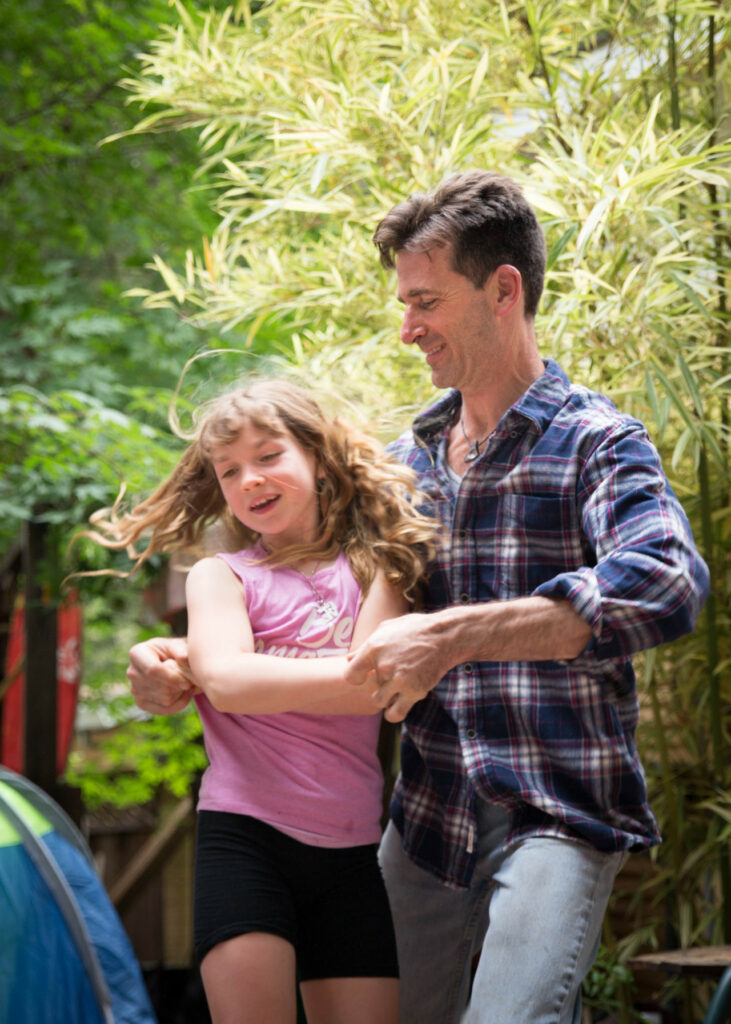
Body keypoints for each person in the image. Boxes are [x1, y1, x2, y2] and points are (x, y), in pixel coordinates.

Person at [127, 172, 710, 1024]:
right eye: (404, 302)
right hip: (428, 815)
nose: (407, 329)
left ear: (502, 290)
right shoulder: (406, 463)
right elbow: (303, 581)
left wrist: (457, 635)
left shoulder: (598, 440)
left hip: (558, 808)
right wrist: (174, 660)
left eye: (426, 302)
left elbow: (667, 581)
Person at [84, 379, 438, 1024]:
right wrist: (241, 673)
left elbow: (372, 691)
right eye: (229, 471)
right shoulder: (222, 578)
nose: (250, 478)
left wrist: (253, 669)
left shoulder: (380, 568)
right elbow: (228, 683)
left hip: (352, 851)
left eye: (269, 455)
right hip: (245, 842)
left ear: (319, 458)